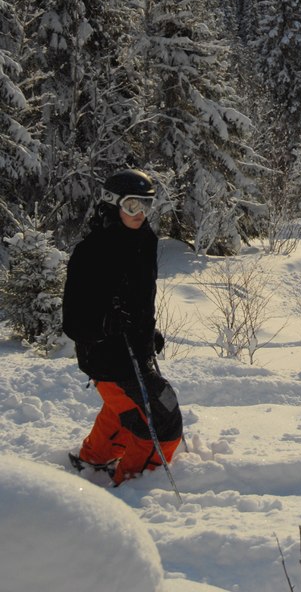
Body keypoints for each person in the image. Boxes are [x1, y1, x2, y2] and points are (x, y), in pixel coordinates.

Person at [62, 168, 183, 486]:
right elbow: (73, 320)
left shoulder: (144, 241)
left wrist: (147, 330)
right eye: (133, 206)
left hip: (134, 351)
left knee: (125, 411)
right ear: (112, 203)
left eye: (147, 206)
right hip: (106, 357)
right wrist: (105, 324)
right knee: (161, 423)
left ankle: (94, 458)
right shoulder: (91, 252)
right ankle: (135, 485)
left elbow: (140, 299)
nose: (140, 214)